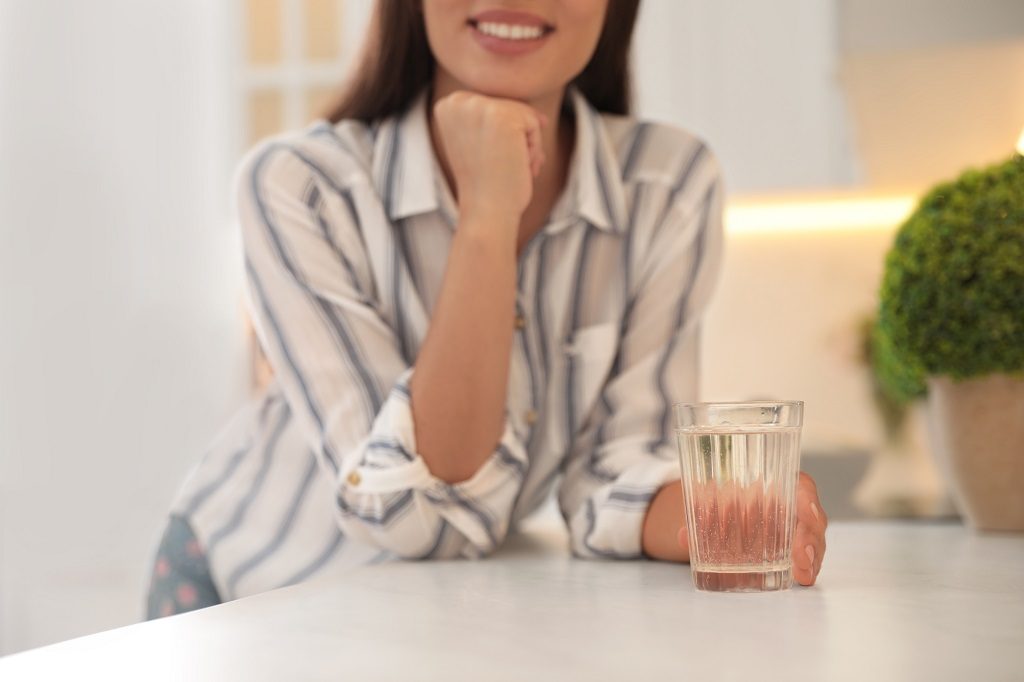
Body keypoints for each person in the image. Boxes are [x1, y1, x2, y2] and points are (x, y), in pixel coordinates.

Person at [146, 0, 828, 619]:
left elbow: (619, 466)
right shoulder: (299, 186)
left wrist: (718, 515)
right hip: (247, 592)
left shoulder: (668, 185)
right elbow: (409, 513)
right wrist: (488, 214)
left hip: (434, 616)